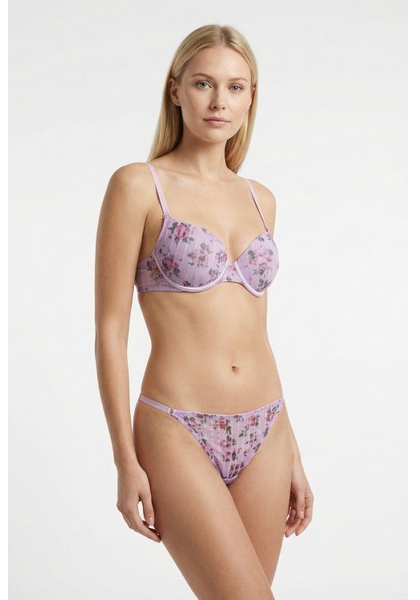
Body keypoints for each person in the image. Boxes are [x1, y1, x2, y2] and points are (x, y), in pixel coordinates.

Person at [94, 23, 314, 600]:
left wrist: (292, 449)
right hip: (177, 426)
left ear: (251, 97)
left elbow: (258, 333)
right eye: (203, 83)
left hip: (266, 427)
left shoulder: (260, 199)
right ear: (175, 90)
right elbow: (110, 330)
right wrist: (124, 461)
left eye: (236, 87)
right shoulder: (138, 186)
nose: (220, 101)